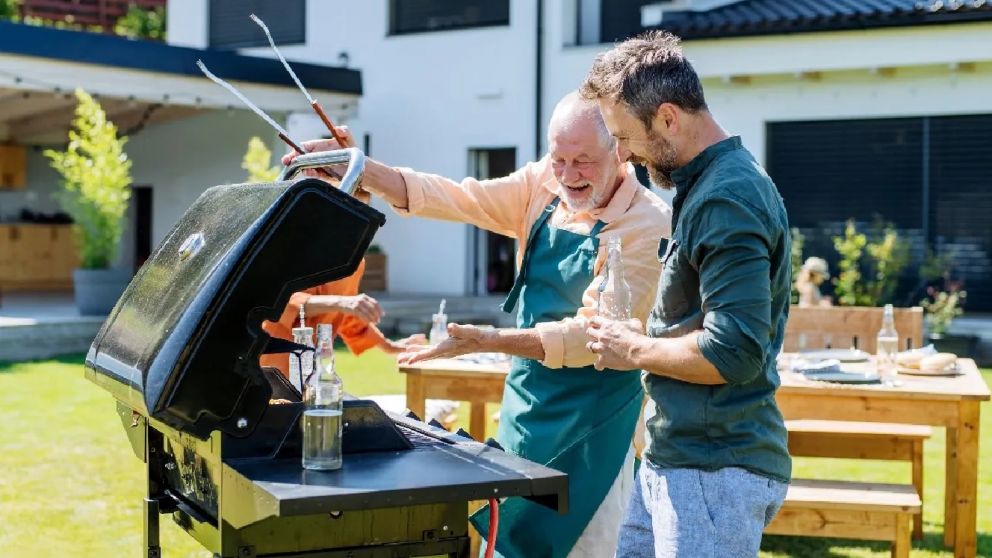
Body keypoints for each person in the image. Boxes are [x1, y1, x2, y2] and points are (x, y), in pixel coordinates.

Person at [284, 93, 671, 558]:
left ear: (622, 150)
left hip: (596, 426)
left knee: (587, 546)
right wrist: (362, 167)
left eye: (582, 162)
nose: (566, 175)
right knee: (505, 543)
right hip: (527, 404)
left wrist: (490, 340)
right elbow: (459, 197)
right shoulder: (541, 185)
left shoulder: (647, 223)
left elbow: (593, 338)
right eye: (558, 158)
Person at [579, 31, 792, 557]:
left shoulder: (727, 197)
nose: (623, 157)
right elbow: (705, 325)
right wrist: (639, 333)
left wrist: (631, 351)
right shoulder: (705, 185)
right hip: (676, 458)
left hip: (714, 468)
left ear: (668, 118)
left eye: (624, 137)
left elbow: (733, 352)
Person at [260, 258, 424, 379]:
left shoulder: (355, 261)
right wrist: (341, 302)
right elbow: (280, 302)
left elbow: (348, 314)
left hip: (311, 370)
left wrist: (389, 346)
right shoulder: (300, 247)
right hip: (271, 364)